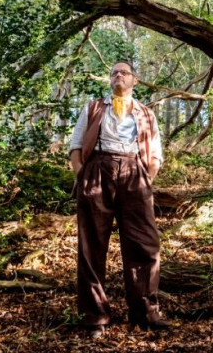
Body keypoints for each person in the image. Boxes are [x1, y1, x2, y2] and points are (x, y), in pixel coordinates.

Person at [69, 60, 165, 339]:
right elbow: (75, 146)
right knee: (92, 245)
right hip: (97, 170)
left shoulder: (146, 113)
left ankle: (145, 313)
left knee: (145, 243)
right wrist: (82, 176)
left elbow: (156, 152)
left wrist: (146, 177)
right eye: (114, 73)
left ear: (135, 80)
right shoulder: (93, 108)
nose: (118, 76)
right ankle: (94, 317)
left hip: (135, 172)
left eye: (124, 72)